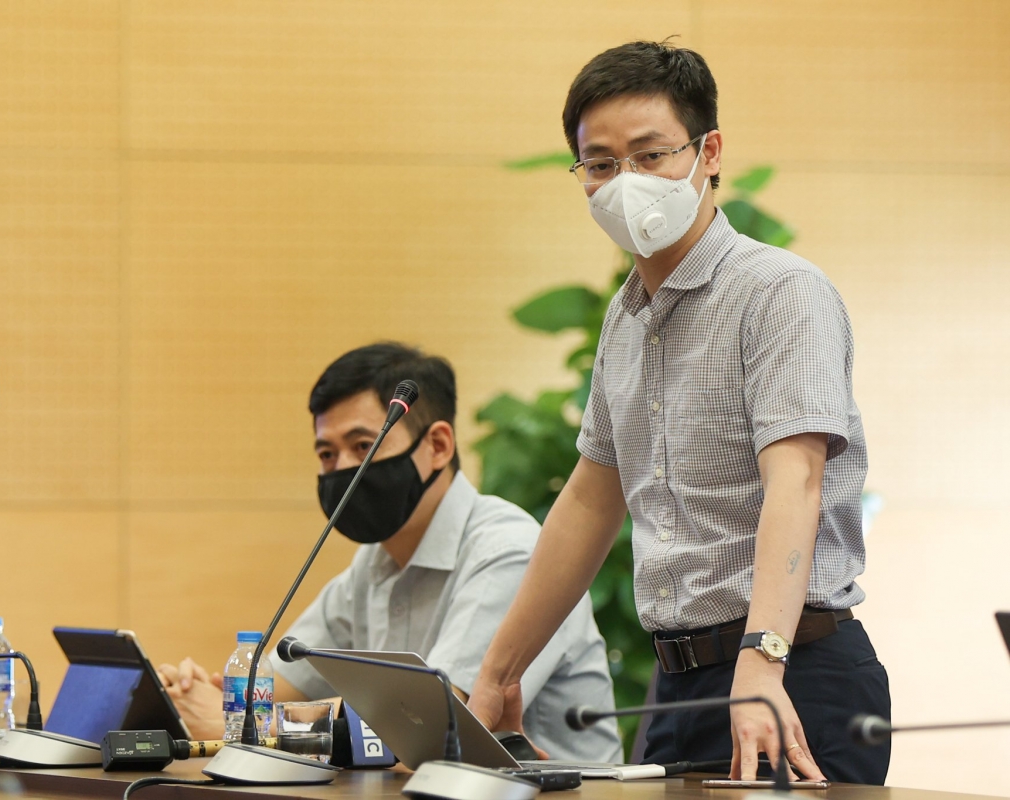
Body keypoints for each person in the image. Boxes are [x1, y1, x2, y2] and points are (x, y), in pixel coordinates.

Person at [467, 41, 891, 785]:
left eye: (650, 155)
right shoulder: (624, 318)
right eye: (600, 165)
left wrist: (763, 660)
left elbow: (795, 481)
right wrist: (500, 674)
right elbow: (589, 501)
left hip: (792, 673)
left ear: (708, 152)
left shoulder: (779, 293)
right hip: (676, 685)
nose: (624, 182)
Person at [159, 342, 622, 763]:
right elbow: (277, 687)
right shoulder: (374, 564)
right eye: (327, 454)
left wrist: (245, 727)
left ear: (437, 446)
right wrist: (196, 696)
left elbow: (434, 723)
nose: (343, 469)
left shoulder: (509, 551)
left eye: (363, 446)